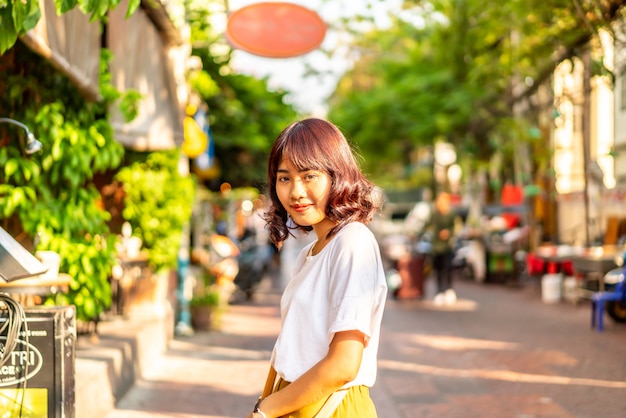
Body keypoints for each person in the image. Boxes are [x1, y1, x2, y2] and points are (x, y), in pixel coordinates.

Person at [248, 118, 388, 418]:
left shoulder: (353, 242)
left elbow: (344, 364)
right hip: (298, 400)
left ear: (337, 175)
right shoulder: (312, 252)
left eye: (309, 175)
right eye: (284, 178)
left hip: (331, 406)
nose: (296, 192)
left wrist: (264, 411)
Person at [427, 191, 458, 305]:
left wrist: (448, 233)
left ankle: (449, 290)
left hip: (447, 245)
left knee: (448, 268)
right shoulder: (435, 213)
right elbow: (428, 225)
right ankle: (439, 291)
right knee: (438, 269)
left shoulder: (451, 213)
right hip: (436, 245)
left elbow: (455, 227)